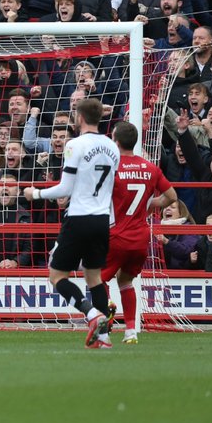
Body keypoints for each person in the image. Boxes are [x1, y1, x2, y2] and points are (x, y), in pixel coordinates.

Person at [22, 98, 118, 349]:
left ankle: (91, 315)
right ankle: (104, 337)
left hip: (78, 218)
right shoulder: (112, 147)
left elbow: (66, 188)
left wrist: (36, 194)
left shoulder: (75, 145)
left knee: (56, 276)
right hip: (101, 219)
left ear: (80, 118)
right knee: (94, 278)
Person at [104, 121, 176, 345]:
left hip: (116, 235)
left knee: (96, 280)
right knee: (125, 281)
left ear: (115, 141)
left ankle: (104, 327)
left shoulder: (112, 168)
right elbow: (171, 197)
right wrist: (149, 204)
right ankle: (131, 331)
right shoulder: (150, 168)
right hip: (140, 237)